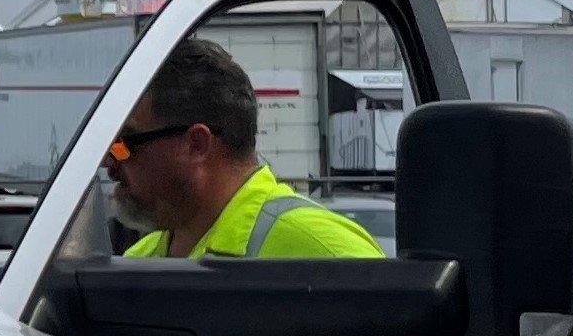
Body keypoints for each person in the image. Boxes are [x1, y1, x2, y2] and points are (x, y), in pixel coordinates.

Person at [109, 34, 382, 260]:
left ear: (196, 145)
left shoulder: (327, 252)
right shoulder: (139, 261)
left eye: (123, 145)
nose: (108, 163)